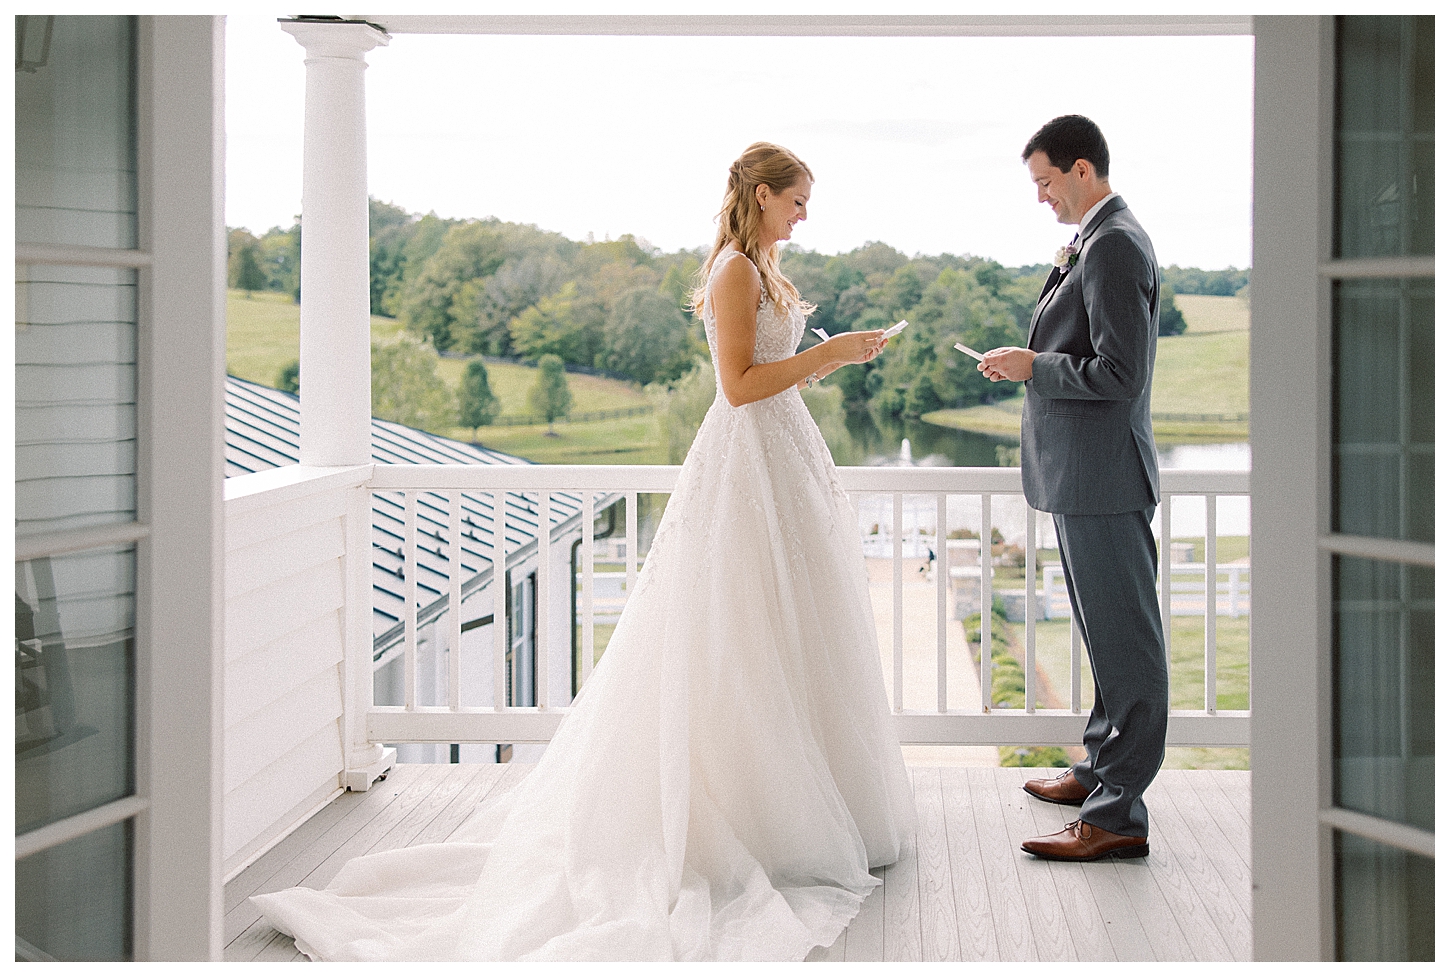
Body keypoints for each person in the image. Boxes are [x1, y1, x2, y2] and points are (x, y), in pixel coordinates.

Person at [251, 142, 915, 960]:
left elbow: (770, 374)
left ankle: (807, 808)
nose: (807, 214)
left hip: (783, 460)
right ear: (765, 194)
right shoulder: (735, 270)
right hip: (746, 463)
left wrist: (828, 358)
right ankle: (740, 819)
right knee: (735, 634)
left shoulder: (768, 267)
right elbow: (738, 386)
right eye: (799, 200)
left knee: (788, 633)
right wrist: (829, 353)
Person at [978, 115, 1166, 862]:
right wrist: (1033, 360)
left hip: (1105, 477)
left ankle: (1118, 813)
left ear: (1083, 169)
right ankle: (1097, 773)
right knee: (1102, 639)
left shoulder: (1116, 243)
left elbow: (1124, 375)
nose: (1042, 198)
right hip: (1079, 478)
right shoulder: (1097, 238)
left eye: (1046, 182)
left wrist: (1036, 367)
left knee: (1130, 648)